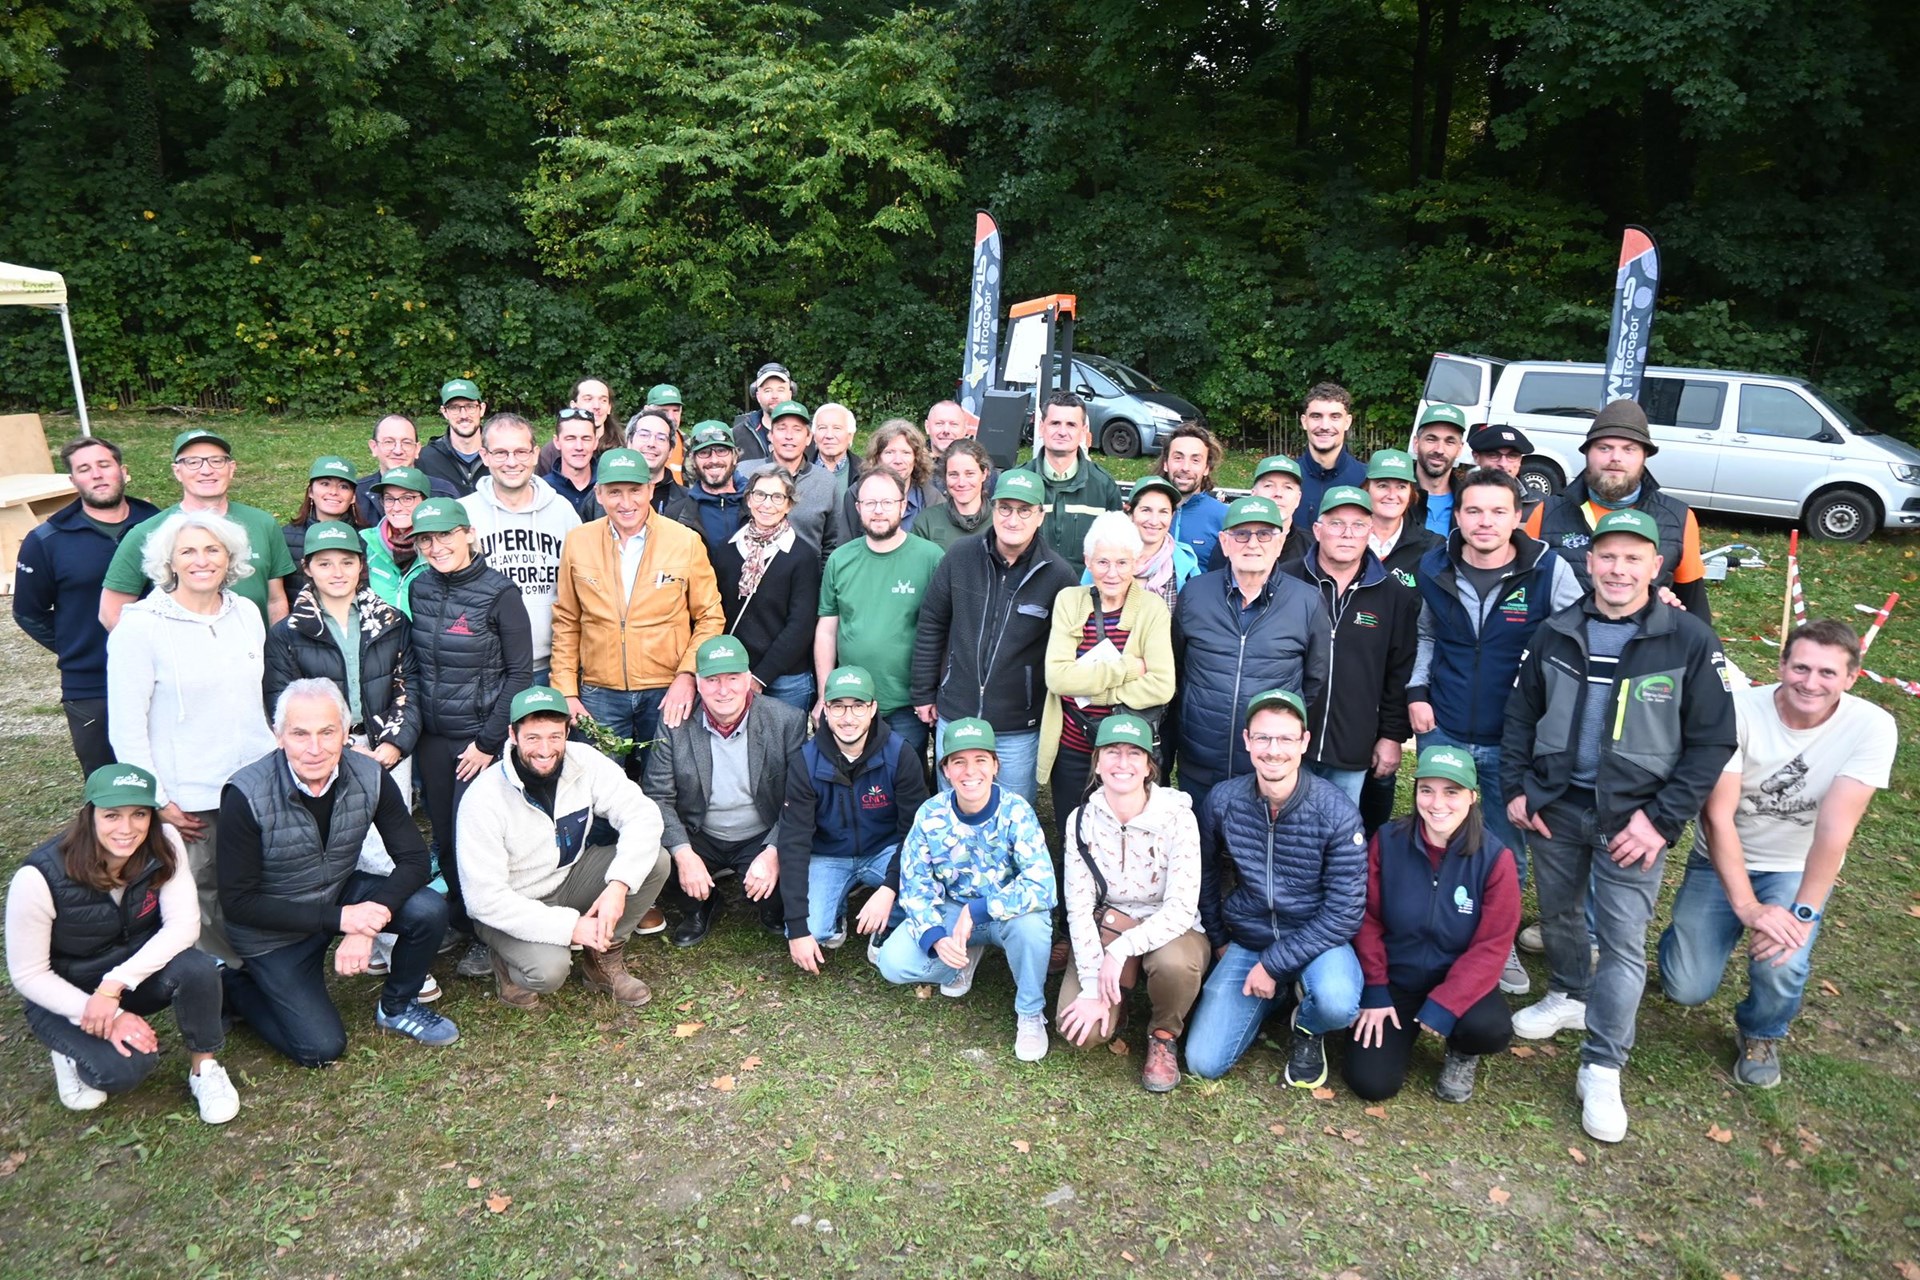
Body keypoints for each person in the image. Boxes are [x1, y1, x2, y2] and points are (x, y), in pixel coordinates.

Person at [1502, 508, 1737, 1143]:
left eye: (1633, 558)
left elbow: (1713, 742)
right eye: (1608, 556)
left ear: (1656, 566)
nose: (1618, 569)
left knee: (1623, 940)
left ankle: (1602, 1066)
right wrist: (1518, 789)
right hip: (1557, 806)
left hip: (1634, 818)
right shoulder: (1557, 631)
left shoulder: (1689, 640)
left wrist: (1660, 822)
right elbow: (1521, 714)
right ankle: (1570, 993)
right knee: (1559, 915)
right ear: (1589, 562)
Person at [1657, 619, 1896, 1088]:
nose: (1811, 682)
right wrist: (1748, 907)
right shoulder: (1737, 710)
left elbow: (1835, 830)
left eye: (1828, 673)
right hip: (1720, 858)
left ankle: (1761, 1032)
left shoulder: (1872, 727)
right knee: (1685, 987)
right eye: (1801, 667)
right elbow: (1717, 817)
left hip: (1794, 868)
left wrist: (1802, 914)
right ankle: (1686, 940)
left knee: (1783, 961)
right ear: (1781, 664)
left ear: (1851, 678)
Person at [1407, 468, 1583, 994]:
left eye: (1498, 511)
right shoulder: (1435, 565)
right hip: (1445, 726)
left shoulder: (1549, 570)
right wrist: (1417, 692)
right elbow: (1426, 633)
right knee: (1438, 835)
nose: (1485, 522)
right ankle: (1437, 933)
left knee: (1505, 848)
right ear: (1457, 516)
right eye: (1474, 510)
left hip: (1514, 738)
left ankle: (1497, 946)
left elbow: (1576, 642)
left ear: (1517, 516)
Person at [218, 681, 457, 1063]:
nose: (315, 748)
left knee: (427, 909)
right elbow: (238, 904)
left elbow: (413, 858)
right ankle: (235, 986)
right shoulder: (245, 794)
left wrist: (366, 924)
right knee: (320, 1048)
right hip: (273, 930)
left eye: (327, 732)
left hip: (337, 891)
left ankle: (397, 1007)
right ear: (279, 736)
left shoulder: (369, 774)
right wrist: (344, 919)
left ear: (346, 733)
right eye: (300, 734)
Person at [6, 764, 240, 1122]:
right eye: (112, 815)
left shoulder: (165, 843)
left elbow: (183, 927)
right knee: (125, 1071)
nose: (126, 828)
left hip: (127, 977)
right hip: (66, 992)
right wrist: (109, 1014)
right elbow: (29, 974)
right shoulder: (38, 877)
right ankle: (70, 1053)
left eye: (139, 814)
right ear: (90, 815)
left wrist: (114, 986)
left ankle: (204, 1070)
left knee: (197, 968)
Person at [107, 510, 276, 966]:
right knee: (201, 890)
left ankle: (264, 965)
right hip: (190, 795)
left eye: (212, 550)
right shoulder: (139, 627)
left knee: (254, 881)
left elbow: (257, 697)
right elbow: (126, 726)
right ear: (170, 562)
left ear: (230, 557)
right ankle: (222, 977)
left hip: (254, 785)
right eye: (188, 551)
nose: (202, 560)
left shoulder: (246, 613)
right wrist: (158, 799)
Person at [1187, 689, 1365, 1085]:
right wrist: (1218, 937)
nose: (1274, 750)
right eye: (1263, 737)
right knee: (1202, 1062)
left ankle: (1307, 1026)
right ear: (1247, 741)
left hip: (1316, 938)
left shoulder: (1336, 811)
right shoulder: (1223, 801)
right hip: (1249, 937)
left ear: (1304, 742)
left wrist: (1273, 964)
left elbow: (1345, 912)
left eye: (1286, 738)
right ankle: (1278, 995)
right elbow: (1203, 874)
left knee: (1337, 1003)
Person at [457, 686, 672, 1009]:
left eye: (554, 737)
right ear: (513, 735)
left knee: (655, 861)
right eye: (533, 738)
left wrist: (619, 885)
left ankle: (602, 958)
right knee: (548, 972)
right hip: (512, 902)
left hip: (569, 878)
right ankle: (505, 960)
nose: (545, 750)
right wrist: (570, 927)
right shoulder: (484, 798)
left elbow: (641, 813)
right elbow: (483, 900)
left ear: (567, 733)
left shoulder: (584, 760)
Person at [874, 718, 1057, 1062]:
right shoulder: (931, 814)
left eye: (980, 760)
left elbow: (1042, 885)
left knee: (1033, 926)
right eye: (958, 761)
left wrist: (977, 912)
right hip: (952, 910)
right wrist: (935, 937)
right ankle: (960, 959)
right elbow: (915, 884)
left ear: (996, 765)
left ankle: (1031, 1012)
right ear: (945, 769)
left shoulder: (1017, 811)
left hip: (1004, 914)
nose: (970, 771)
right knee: (892, 963)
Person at [1344, 746, 1519, 1104]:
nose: (1437, 803)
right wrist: (1375, 988)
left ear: (1472, 797)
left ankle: (1462, 1051)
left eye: (1451, 792)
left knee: (1488, 1028)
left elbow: (1493, 945)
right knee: (1371, 1083)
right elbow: (1367, 918)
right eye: (1427, 790)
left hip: (1456, 979)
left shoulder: (1495, 859)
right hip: (1396, 981)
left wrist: (1448, 1002)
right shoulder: (1388, 842)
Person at [405, 497, 533, 975]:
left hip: (478, 741)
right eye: (426, 539)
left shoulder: (500, 593)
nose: (436, 547)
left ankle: (491, 934)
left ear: (469, 534)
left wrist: (487, 743)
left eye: (445, 535)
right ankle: (461, 917)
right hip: (433, 739)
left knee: (478, 842)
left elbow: (520, 675)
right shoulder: (419, 588)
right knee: (444, 836)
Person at [550, 448, 725, 782]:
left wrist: (688, 675)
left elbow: (710, 616)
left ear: (650, 489)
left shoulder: (685, 541)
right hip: (599, 691)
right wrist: (566, 690)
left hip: (666, 688)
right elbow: (567, 620)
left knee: (666, 782)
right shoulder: (578, 542)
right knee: (597, 784)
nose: (626, 502)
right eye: (615, 492)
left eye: (635, 490)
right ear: (599, 494)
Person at [1055, 714, 1208, 1091]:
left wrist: (1121, 950)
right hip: (1109, 923)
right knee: (1083, 1032)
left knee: (1175, 965)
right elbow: (1078, 907)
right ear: (1097, 762)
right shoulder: (1081, 821)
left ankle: (1163, 1035)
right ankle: (1115, 1001)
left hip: (1168, 928)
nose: (1122, 762)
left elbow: (1181, 908)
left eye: (1134, 753)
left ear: (1149, 766)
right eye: (1112, 752)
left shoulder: (1179, 817)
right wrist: (1092, 986)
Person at [910, 470, 1078, 803]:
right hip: (957, 712)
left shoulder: (1059, 576)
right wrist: (923, 691)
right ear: (992, 508)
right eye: (1005, 508)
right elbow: (932, 623)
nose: (1013, 519)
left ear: (1040, 516)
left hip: (1017, 725)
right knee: (956, 806)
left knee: (1013, 809)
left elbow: (1066, 651)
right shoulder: (960, 556)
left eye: (1024, 510)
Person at [1169, 496, 1330, 813]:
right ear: (1224, 542)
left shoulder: (1307, 601)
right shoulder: (1196, 593)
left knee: (1256, 841)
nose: (1252, 543)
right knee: (1200, 838)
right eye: (1241, 534)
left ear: (1280, 542)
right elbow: (1177, 665)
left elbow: (1314, 679)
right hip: (1200, 756)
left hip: (1266, 764)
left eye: (1264, 534)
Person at [644, 637, 808, 947]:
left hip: (759, 833)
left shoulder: (786, 720)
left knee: (779, 889)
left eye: (732, 678)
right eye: (712, 680)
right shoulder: (675, 723)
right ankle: (700, 906)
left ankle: (770, 904)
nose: (723, 690)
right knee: (662, 858)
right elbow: (658, 796)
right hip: (700, 833)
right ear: (698, 684)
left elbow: (800, 798)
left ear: (748, 679)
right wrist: (683, 854)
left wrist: (774, 851)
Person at [14, 435, 159, 775]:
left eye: (104, 465)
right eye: (84, 469)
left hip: (161, 673)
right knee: (109, 783)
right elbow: (28, 613)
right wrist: (75, 646)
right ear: (72, 480)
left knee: (168, 775)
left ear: (123, 471)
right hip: (92, 682)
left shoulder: (157, 524)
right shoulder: (46, 540)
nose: (96, 474)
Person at [776, 665, 930, 971]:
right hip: (828, 855)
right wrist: (797, 928)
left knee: (921, 888)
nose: (848, 717)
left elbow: (916, 834)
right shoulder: (805, 761)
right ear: (825, 710)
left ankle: (886, 926)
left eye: (858, 706)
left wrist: (890, 887)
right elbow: (793, 842)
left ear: (873, 709)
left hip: (884, 851)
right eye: (838, 706)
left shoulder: (900, 754)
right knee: (813, 930)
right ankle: (836, 911)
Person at [1041, 511, 1177, 855]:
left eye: (1122, 562)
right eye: (1102, 562)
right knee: (1074, 834)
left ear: (1137, 562)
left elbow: (1162, 685)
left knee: (1126, 839)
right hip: (1074, 745)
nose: (1112, 572)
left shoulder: (1152, 609)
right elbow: (1057, 677)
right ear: (1088, 561)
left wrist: (1088, 687)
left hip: (1125, 749)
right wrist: (1128, 668)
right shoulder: (1069, 600)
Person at [1285, 487, 1418, 809]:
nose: (1347, 534)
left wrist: (1391, 736)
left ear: (1370, 533)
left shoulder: (1394, 595)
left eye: (1358, 525)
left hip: (1352, 747)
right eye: (1336, 523)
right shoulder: (1285, 581)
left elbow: (1399, 672)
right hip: (1287, 742)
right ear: (1317, 530)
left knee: (1341, 829)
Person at [1525, 399, 1712, 622]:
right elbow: (1521, 597)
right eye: (1604, 448)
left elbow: (1696, 611)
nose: (1615, 458)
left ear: (1644, 456)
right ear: (1587, 453)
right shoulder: (1546, 513)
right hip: (1561, 639)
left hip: (1645, 641)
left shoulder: (1678, 518)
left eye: (1629, 449)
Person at [99, 428, 294, 631]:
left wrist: (276, 649)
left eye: (217, 461)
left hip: (253, 649)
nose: (206, 470)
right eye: (192, 462)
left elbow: (275, 601)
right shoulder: (148, 533)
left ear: (231, 468)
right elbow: (111, 613)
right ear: (177, 471)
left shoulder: (263, 523)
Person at [815, 467, 947, 764]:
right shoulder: (840, 559)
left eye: (887, 502)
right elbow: (827, 629)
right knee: (853, 776)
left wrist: (932, 692)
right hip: (851, 701)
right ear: (858, 507)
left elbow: (943, 632)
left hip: (907, 704)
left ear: (903, 505)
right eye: (870, 503)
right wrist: (825, 694)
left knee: (906, 775)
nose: (878, 510)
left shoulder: (930, 558)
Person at [265, 521, 419, 773]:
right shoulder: (288, 633)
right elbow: (280, 701)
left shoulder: (392, 622)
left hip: (386, 749)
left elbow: (410, 684)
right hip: (320, 752)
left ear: (361, 565)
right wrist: (343, 747)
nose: (337, 573)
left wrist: (395, 742)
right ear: (307, 568)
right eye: (324, 564)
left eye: (347, 563)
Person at [461, 412, 581, 685]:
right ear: (484, 456)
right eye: (500, 453)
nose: (512, 462)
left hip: (549, 667)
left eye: (520, 452)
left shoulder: (563, 512)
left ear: (535, 454)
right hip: (486, 669)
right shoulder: (465, 514)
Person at [712, 467, 821, 712]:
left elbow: (801, 625)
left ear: (789, 505)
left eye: (777, 497)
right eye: (760, 495)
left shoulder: (802, 556)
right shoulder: (727, 550)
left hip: (786, 678)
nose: (767, 504)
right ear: (749, 499)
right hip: (734, 671)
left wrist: (761, 677)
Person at [1009, 391, 1123, 574]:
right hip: (1028, 588)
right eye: (1055, 423)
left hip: (1083, 589)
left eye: (1071, 424)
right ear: (1041, 427)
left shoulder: (1104, 486)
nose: (1062, 432)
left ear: (1083, 431)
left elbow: (1116, 549)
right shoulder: (1017, 482)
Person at [740, 399, 840, 557]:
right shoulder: (744, 472)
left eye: (797, 429)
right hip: (751, 568)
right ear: (770, 435)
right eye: (782, 428)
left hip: (807, 571)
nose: (789, 436)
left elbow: (833, 544)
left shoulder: (827, 482)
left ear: (808, 438)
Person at [1203, 455, 1308, 573]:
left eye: (1288, 487)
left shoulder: (1311, 547)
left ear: (1298, 498)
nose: (1278, 493)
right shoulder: (1232, 542)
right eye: (1269, 485)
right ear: (1254, 494)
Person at [838, 420, 938, 538]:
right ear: (877, 457)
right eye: (889, 452)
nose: (898, 460)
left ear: (916, 458)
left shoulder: (931, 498)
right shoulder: (856, 493)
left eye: (906, 453)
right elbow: (846, 543)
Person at [353, 414, 459, 523]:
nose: (398, 451)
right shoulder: (357, 494)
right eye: (389, 442)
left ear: (417, 449)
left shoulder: (443, 493)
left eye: (406, 443)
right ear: (374, 447)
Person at [282, 455, 364, 594]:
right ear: (310, 491)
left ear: (353, 497)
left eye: (344, 487)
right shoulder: (284, 537)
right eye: (325, 484)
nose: (334, 492)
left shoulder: (367, 538)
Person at [1363, 449, 1443, 590]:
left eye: (1401, 486)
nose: (1392, 495)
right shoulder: (1347, 538)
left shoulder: (1431, 547)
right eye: (1382, 485)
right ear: (1366, 489)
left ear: (1411, 493)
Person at [1118, 476, 1200, 612]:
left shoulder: (1186, 566)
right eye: (1146, 510)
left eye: (1163, 512)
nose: (1154, 521)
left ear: (1172, 516)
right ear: (1130, 512)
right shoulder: (1105, 556)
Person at [360, 466, 434, 615]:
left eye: (407, 498)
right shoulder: (368, 545)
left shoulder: (440, 547)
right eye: (389, 499)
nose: (396, 507)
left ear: (425, 501)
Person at [1156, 422, 1228, 566]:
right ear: (1165, 463)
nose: (1185, 467)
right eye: (1178, 458)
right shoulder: (1145, 513)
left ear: (1206, 468)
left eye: (1195, 460)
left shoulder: (1224, 517)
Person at [1294, 382, 1368, 517]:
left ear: (1347, 422)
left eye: (1335, 417)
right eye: (1316, 416)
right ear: (1304, 422)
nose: (1325, 426)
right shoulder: (1284, 480)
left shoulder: (1366, 480)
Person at [625, 409, 701, 532]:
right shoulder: (604, 495)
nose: (651, 443)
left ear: (670, 451)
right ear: (629, 442)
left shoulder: (689, 502)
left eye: (661, 438)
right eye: (644, 435)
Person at [911, 438, 994, 552]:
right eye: (953, 475)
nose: (961, 483)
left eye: (970, 474)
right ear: (945, 476)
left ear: (984, 474)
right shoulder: (927, 521)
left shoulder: (1000, 521)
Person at [686, 419, 752, 556]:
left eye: (721, 451)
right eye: (704, 452)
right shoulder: (678, 513)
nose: (714, 460)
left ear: (735, 456)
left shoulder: (757, 504)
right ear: (693, 460)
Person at [419, 377, 490, 496]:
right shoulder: (425, 460)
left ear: (482, 409)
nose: (464, 415)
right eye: (454, 408)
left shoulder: (501, 455)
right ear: (444, 412)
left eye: (470, 407)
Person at [534, 378, 620, 474]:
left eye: (603, 400)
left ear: (609, 408)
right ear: (574, 406)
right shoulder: (551, 452)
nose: (596, 406)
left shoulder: (622, 449)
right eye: (588, 399)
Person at [1410, 404, 1468, 534]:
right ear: (1416, 443)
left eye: (1450, 442)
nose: (1439, 450)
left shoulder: (1468, 500)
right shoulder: (1394, 498)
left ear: (1459, 449)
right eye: (1431, 439)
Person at [1466, 424, 1542, 521]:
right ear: (1476, 457)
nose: (1503, 464)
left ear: (1520, 460)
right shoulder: (1458, 498)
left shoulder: (1541, 505)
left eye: (1512, 456)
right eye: (1493, 455)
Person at [544, 407, 604, 521]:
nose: (579, 447)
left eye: (586, 439)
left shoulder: (608, 485)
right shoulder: (544, 489)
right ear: (557, 442)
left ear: (595, 442)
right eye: (570, 439)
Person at [733, 361, 795, 462]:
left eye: (780, 390)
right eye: (768, 390)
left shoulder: (807, 433)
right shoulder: (738, 435)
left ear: (790, 394)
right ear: (758, 396)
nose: (774, 396)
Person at [810, 402, 858, 497]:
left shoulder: (866, 472)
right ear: (814, 436)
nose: (829, 435)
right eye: (822, 428)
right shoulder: (799, 471)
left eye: (837, 428)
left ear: (850, 436)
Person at [923, 399, 969, 468]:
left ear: (965, 428)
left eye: (954, 424)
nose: (946, 430)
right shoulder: (912, 465)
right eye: (939, 423)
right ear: (927, 427)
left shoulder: (978, 465)